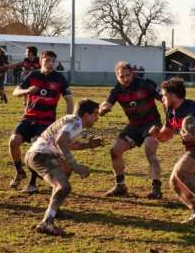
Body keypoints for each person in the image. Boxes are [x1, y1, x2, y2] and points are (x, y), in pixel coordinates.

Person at [25, 99, 104, 236]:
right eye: (95, 114)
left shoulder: (72, 121)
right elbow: (61, 141)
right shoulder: (76, 122)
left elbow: (67, 144)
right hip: (41, 156)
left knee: (66, 170)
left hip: (39, 155)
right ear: (86, 115)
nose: (97, 118)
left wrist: (88, 145)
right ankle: (46, 222)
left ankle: (55, 209)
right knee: (64, 186)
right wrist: (76, 166)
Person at [149, 77, 195, 225]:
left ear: (173, 95)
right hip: (193, 148)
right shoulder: (170, 111)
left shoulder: (193, 108)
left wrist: (194, 137)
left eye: (163, 95)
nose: (161, 98)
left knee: (181, 171)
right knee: (174, 181)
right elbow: (165, 136)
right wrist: (156, 134)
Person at [10, 50, 74, 193]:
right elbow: (15, 91)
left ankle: (32, 184)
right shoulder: (33, 75)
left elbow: (69, 100)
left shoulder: (59, 78)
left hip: (46, 121)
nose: (50, 64)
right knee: (13, 141)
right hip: (28, 118)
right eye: (47, 60)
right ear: (41, 61)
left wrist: (68, 121)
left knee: (36, 148)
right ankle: (19, 171)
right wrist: (26, 91)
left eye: (52, 61)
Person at [99, 61, 164, 199]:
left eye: (128, 75)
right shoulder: (116, 90)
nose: (125, 79)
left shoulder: (145, 84)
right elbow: (107, 103)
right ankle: (120, 186)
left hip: (152, 123)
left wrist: (169, 120)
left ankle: (156, 188)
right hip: (134, 126)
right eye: (122, 76)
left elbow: (164, 99)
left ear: (132, 74)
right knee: (115, 151)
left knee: (150, 152)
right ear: (117, 76)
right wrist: (103, 109)